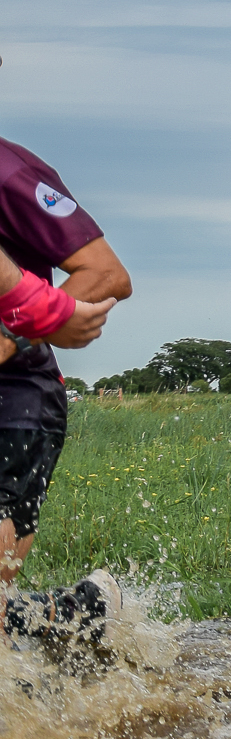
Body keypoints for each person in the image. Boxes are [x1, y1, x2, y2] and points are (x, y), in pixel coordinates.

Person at [0, 137, 130, 657]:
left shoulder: (10, 173)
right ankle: (81, 611)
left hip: (16, 399)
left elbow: (107, 274)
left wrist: (13, 336)